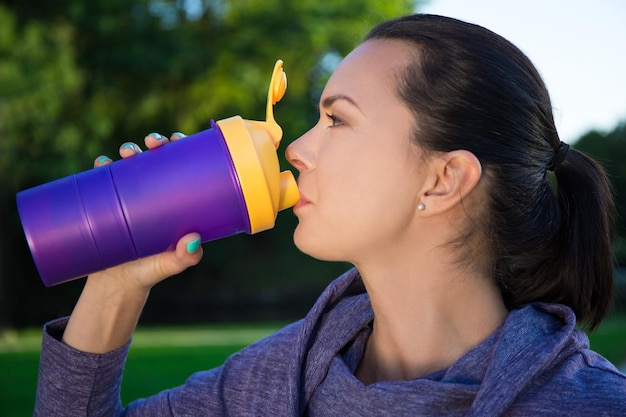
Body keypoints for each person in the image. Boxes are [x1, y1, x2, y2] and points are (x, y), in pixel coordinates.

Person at [34, 14, 626, 416]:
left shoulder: (593, 404)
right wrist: (116, 282)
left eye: (337, 120)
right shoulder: (271, 380)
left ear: (444, 179)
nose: (296, 149)